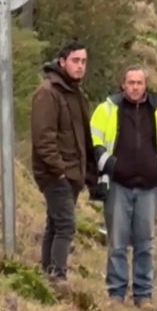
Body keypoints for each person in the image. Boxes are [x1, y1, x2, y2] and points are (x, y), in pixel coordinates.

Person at [90, 65, 157, 309]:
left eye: (139, 83)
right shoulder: (108, 108)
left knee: (145, 243)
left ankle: (143, 295)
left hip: (149, 187)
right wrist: (109, 165)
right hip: (118, 186)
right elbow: (95, 140)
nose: (135, 87)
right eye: (130, 82)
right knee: (117, 243)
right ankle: (116, 295)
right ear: (123, 84)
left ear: (145, 85)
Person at [29, 42, 98, 291]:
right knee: (66, 225)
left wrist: (87, 172)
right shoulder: (48, 93)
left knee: (55, 224)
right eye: (75, 61)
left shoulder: (75, 93)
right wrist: (58, 170)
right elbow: (43, 138)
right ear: (62, 62)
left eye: (83, 61)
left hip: (71, 172)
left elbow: (82, 137)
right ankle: (58, 278)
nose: (80, 66)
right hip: (55, 173)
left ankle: (46, 276)